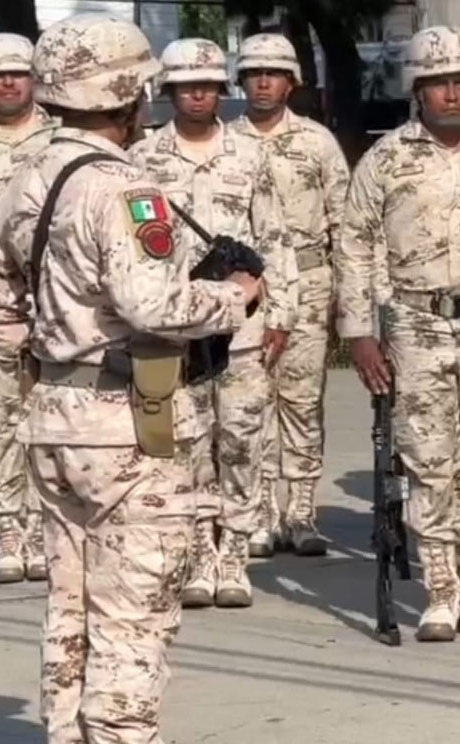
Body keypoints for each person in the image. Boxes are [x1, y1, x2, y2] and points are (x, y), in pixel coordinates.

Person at [0, 14, 261, 742]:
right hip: (128, 423)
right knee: (134, 611)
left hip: (55, 417)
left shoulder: (21, 178)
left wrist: (49, 356)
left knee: (70, 607)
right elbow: (154, 306)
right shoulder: (126, 189)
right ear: (130, 96)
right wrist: (234, 297)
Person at [337, 26, 460, 643]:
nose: (450, 94)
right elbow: (354, 245)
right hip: (417, 324)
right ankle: (439, 590)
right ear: (417, 90)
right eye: (437, 83)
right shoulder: (387, 158)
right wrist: (359, 332)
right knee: (429, 460)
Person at [131, 38, 297, 609]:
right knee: (189, 445)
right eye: (186, 86)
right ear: (170, 91)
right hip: (177, 329)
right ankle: (202, 552)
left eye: (206, 85)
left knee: (242, 442)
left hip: (242, 330)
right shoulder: (144, 160)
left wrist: (281, 315)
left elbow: (275, 239)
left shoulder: (249, 156)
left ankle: (235, 555)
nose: (197, 95)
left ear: (221, 91)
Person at [231, 34, 350, 559]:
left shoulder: (317, 143)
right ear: (240, 81)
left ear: (291, 82)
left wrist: (347, 297)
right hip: (245, 288)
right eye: (254, 73)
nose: (263, 82)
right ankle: (259, 513)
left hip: (308, 280)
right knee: (250, 401)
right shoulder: (227, 142)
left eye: (273, 74)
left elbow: (343, 222)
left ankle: (301, 511)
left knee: (302, 402)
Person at [0, 32, 56, 585]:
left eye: (18, 73)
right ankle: (7, 527)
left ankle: (46, 526)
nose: (8, 82)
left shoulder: (61, 141)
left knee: (53, 417)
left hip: (59, 301)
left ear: (35, 79)